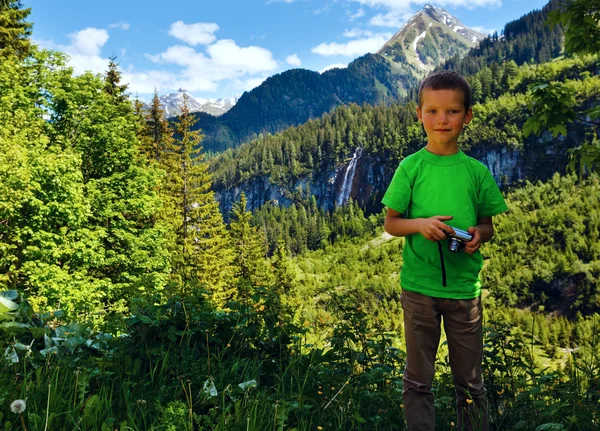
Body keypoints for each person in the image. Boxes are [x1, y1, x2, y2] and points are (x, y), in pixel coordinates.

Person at [382, 70, 508, 431]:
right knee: (418, 380)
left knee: (470, 382)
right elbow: (392, 223)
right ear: (418, 114)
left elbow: (488, 225)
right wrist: (420, 224)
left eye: (452, 111)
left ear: (468, 115)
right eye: (432, 111)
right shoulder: (411, 167)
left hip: (464, 291)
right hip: (419, 288)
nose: (442, 120)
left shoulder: (477, 172)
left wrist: (477, 234)